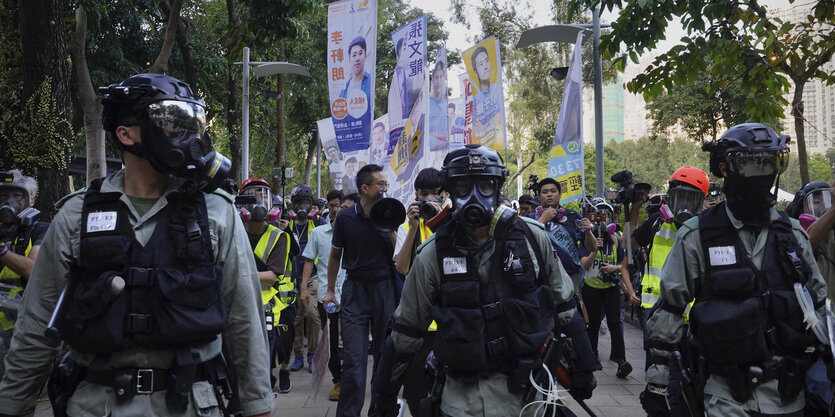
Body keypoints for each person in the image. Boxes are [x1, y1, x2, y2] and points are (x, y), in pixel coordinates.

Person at [0, 73, 273, 417]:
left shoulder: (217, 212)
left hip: (191, 405)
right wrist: (12, 405)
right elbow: (37, 323)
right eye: (169, 124)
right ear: (125, 134)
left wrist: (258, 406)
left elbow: (244, 318)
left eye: (188, 125)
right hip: (98, 405)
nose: (183, 136)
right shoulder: (76, 216)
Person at [368, 145, 598, 417]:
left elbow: (565, 308)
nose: (475, 195)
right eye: (463, 185)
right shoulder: (432, 254)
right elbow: (406, 333)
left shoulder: (532, 238)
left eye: (486, 185)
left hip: (531, 398)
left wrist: (583, 367)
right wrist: (383, 398)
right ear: (449, 192)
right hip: (462, 402)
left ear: (499, 187)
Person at [641, 123, 829, 417]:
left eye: (770, 162)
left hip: (790, 396)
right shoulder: (697, 235)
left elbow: (819, 305)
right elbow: (670, 311)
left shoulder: (793, 234)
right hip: (726, 395)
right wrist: (657, 382)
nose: (761, 172)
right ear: (724, 167)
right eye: (750, 163)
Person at [321, 164, 399, 417]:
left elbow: (400, 255)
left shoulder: (390, 212)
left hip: (385, 287)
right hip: (355, 290)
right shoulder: (345, 217)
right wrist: (330, 291)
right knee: (354, 361)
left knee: (383, 357)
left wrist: (388, 225)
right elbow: (335, 256)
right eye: (380, 184)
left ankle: (380, 412)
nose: (384, 188)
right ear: (365, 189)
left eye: (385, 184)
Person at [392, 168, 445, 415]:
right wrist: (413, 227)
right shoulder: (407, 225)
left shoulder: (454, 222)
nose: (429, 200)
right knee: (415, 387)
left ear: (445, 195)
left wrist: (443, 220)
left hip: (449, 318)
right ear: (416, 196)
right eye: (424, 194)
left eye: (435, 194)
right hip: (419, 321)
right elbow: (402, 268)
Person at [238, 178, 295, 393]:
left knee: (265, 352)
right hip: (238, 303)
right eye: (253, 197)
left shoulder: (277, 236)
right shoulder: (235, 230)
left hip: (265, 307)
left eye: (264, 197)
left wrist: (241, 274)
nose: (259, 203)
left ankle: (264, 391)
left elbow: (272, 276)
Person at [786, 181, 835, 415]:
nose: (824, 206)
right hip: (812, 343)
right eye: (816, 201)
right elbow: (810, 239)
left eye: (828, 200)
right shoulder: (795, 236)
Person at [579, 199, 639, 379]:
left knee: (615, 323)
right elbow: (584, 265)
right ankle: (593, 357)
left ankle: (621, 361)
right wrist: (594, 250)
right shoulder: (586, 239)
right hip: (592, 288)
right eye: (598, 217)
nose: (602, 222)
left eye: (606, 217)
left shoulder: (615, 241)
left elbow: (625, 266)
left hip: (611, 287)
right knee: (594, 324)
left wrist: (614, 268)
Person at [0, 169, 48, 381]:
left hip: (23, 328)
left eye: (18, 195)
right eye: (5, 195)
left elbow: (31, 269)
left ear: (31, 199)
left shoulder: (41, 230)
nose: (10, 201)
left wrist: (2, 251)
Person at [300, 190, 348, 401]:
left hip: (351, 296)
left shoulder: (354, 232)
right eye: (333, 205)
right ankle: (338, 380)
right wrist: (303, 288)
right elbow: (309, 261)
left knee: (351, 340)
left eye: (340, 205)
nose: (336, 209)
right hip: (326, 297)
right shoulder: (318, 233)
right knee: (330, 341)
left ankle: (351, 379)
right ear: (328, 207)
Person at [537, 177, 596, 293]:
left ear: (560, 195)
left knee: (572, 309)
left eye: (553, 191)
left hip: (570, 276)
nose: (549, 195)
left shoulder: (573, 216)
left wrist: (589, 232)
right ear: (539, 197)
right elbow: (526, 243)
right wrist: (542, 220)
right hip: (542, 276)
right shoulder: (530, 219)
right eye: (545, 192)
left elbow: (592, 248)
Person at [285, 184, 320, 373]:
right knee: (297, 319)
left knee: (312, 315)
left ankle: (312, 354)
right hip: (292, 277)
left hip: (312, 276)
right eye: (299, 202)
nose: (302, 207)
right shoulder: (286, 224)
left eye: (306, 202)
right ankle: (298, 356)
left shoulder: (318, 223)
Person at [470, 46, 503, 148]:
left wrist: (486, 124)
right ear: (475, 73)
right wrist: (491, 120)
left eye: (486, 61)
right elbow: (475, 128)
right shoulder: (474, 98)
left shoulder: (497, 88)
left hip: (497, 138)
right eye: (480, 64)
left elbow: (499, 115)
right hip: (481, 145)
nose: (485, 66)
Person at [339, 36, 372, 102]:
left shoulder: (371, 81)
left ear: (365, 56)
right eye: (354, 55)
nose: (357, 59)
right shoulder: (344, 89)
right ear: (349, 60)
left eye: (360, 53)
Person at [428, 60, 448, 151]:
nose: (438, 81)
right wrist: (439, 135)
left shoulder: (447, 105)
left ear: (444, 79)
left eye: (441, 77)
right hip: (431, 156)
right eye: (436, 77)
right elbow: (423, 134)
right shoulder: (427, 104)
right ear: (433, 80)